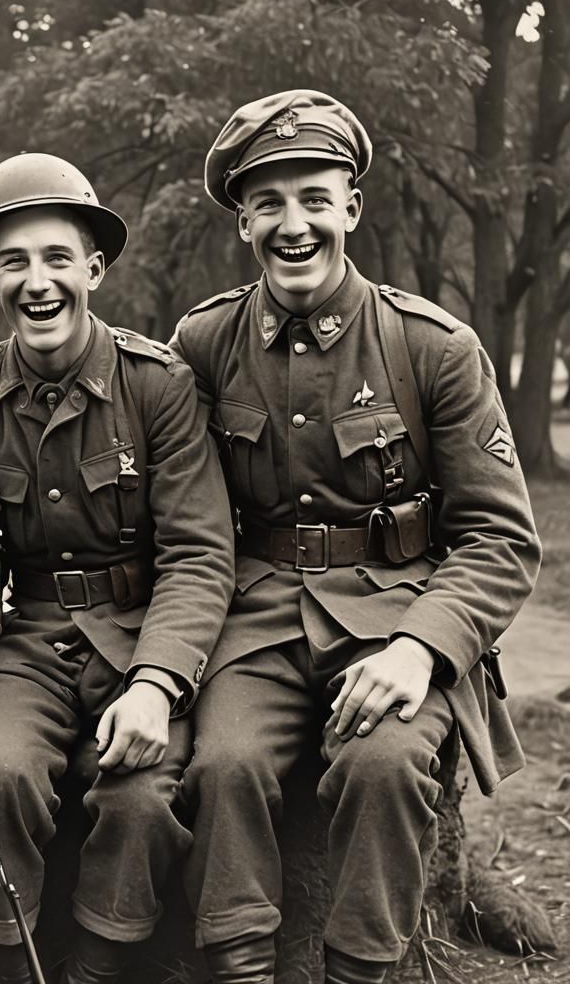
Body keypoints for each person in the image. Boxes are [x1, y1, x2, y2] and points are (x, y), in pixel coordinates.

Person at [169, 90, 542, 983]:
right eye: (268, 204)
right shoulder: (204, 343)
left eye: (314, 199)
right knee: (222, 768)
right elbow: (176, 512)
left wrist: (421, 649)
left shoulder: (433, 346)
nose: (293, 225)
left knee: (385, 765)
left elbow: (500, 536)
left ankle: (360, 972)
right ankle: (239, 970)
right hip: (254, 622)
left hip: (395, 613)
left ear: (352, 207)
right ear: (243, 222)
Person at [0, 153, 233, 984]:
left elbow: (197, 554)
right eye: (13, 263)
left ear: (94, 269)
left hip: (143, 633)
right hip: (30, 640)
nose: (37, 282)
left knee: (141, 796)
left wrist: (156, 684)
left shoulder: (158, 386)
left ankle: (98, 967)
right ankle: (12, 965)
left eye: (56, 258)